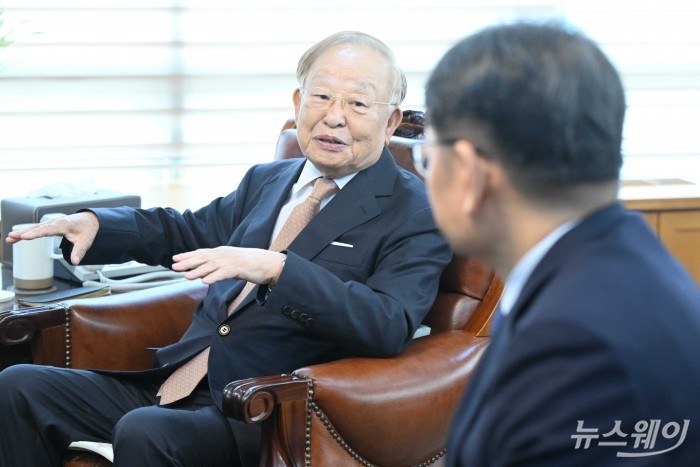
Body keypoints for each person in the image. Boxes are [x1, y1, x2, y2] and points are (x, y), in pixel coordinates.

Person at [0, 31, 452, 467]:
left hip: (269, 407)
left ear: (391, 120)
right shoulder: (268, 180)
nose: (334, 116)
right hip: (181, 379)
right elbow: (184, 231)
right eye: (321, 97)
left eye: (357, 102)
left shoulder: (417, 210)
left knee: (146, 430)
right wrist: (96, 224)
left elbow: (387, 323)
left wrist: (278, 269)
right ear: (298, 104)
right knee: (18, 387)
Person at [421, 22, 700, 466]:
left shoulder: (577, 347)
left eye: (426, 158)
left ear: (470, 175)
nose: (425, 176)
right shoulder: (612, 260)